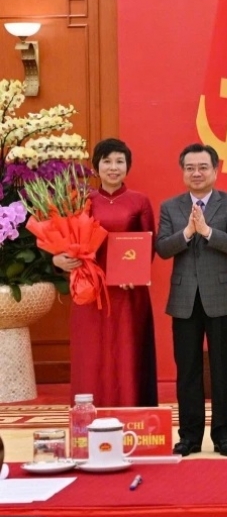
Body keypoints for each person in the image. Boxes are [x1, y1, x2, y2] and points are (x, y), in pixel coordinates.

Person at [155, 143, 227, 457]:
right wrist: (186, 233)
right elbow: (163, 248)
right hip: (184, 299)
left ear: (215, 170)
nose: (196, 173)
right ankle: (189, 437)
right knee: (188, 371)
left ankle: (224, 437)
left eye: (203, 167)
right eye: (190, 168)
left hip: (222, 298)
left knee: (224, 370)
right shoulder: (170, 207)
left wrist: (206, 230)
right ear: (183, 172)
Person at [53, 138, 157, 407]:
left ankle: (132, 413)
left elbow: (149, 246)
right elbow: (64, 239)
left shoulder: (139, 201)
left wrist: (134, 274)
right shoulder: (80, 200)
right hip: (89, 291)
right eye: (107, 161)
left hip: (128, 295)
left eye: (119, 161)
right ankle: (88, 417)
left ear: (128, 166)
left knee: (128, 354)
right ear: (96, 167)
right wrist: (58, 259)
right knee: (91, 355)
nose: (113, 167)